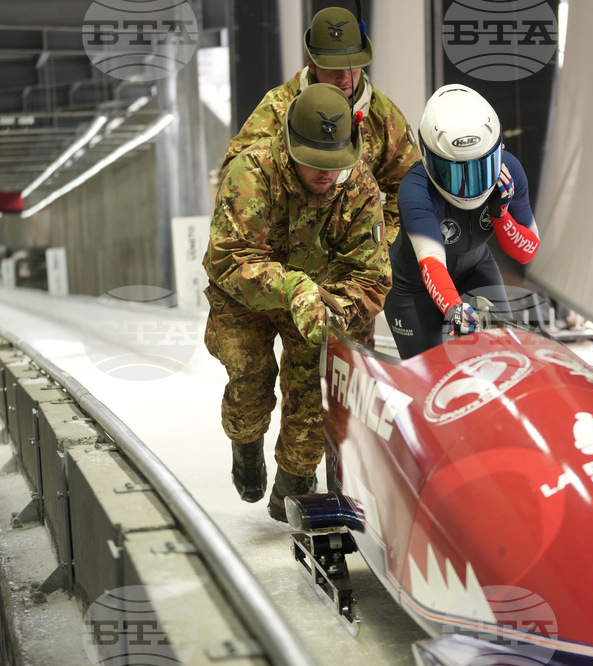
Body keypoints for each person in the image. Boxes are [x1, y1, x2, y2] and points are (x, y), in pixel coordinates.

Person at [202, 83, 391, 522]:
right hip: (246, 294)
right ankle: (245, 442)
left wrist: (337, 310)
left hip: (317, 298)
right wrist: (292, 288)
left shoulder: (357, 184)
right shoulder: (252, 172)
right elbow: (231, 258)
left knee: (313, 392)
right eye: (315, 164)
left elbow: (371, 276)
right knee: (251, 378)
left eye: (334, 165)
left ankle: (293, 484)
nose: (326, 176)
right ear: (289, 146)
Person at [222, 5, 420, 275]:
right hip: (276, 269)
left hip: (344, 272)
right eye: (332, 68)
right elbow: (235, 183)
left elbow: (412, 189)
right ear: (312, 64)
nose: (343, 77)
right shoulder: (278, 108)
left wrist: (377, 246)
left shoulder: (382, 115)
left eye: (352, 67)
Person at [384, 84, 541, 359]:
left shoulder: (510, 169)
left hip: (475, 268)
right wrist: (453, 308)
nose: (471, 187)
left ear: (497, 152)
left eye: (482, 168)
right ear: (430, 160)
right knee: (432, 378)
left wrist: (501, 216)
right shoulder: (415, 189)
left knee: (506, 357)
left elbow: (526, 252)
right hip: (413, 288)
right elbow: (431, 263)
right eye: (456, 173)